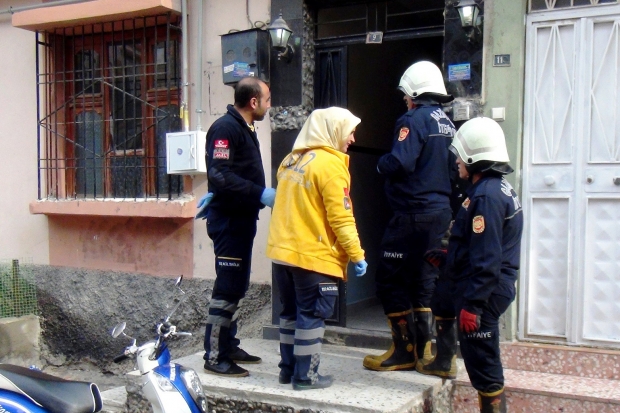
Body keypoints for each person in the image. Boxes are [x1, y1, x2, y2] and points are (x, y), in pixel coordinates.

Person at [422, 117, 523, 413]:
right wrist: (448, 260)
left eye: (459, 156)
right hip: (483, 285)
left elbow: (488, 258)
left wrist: (474, 306)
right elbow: (478, 247)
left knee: (483, 362)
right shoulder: (493, 189)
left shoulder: (487, 198)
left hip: (485, 292)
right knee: (481, 361)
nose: (456, 162)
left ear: (473, 158)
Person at [363, 61, 456, 372]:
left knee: (390, 279)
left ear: (414, 93)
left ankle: (403, 350)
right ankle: (426, 351)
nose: (404, 98)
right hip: (439, 214)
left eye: (405, 93)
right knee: (426, 279)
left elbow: (400, 162)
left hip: (411, 215)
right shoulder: (447, 123)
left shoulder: (412, 120)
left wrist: (380, 164)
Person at [267, 107, 367, 390]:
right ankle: (305, 377)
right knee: (311, 316)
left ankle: (287, 371)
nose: (353, 138)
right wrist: (357, 254)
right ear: (333, 130)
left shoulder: (291, 159)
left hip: (282, 254)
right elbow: (341, 218)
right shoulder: (331, 166)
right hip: (313, 256)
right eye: (349, 131)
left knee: (289, 315)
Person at [200, 76, 275, 377]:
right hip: (229, 220)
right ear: (254, 101)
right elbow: (219, 174)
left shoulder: (244, 128)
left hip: (241, 218)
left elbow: (228, 173)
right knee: (228, 287)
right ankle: (215, 355)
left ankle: (228, 344)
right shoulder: (226, 128)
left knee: (238, 285)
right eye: (267, 100)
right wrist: (259, 193)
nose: (270, 105)